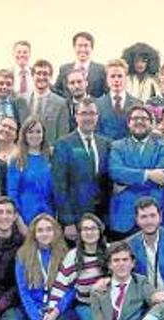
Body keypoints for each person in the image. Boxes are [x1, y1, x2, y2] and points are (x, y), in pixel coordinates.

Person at [10, 214, 74, 320]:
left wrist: (53, 315)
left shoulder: (66, 254)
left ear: (55, 232)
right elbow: (24, 293)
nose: (44, 234)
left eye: (48, 229)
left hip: (57, 309)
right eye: (40, 230)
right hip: (35, 309)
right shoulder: (23, 255)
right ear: (34, 233)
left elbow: (70, 289)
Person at [46, 213, 108, 320]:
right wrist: (50, 316)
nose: (89, 232)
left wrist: (107, 281)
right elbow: (59, 288)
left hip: (107, 305)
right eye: (85, 229)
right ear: (80, 233)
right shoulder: (72, 256)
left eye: (93, 228)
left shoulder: (109, 252)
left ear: (100, 231)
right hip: (84, 304)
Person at [108, 106, 164, 239]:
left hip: (154, 213)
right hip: (125, 216)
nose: (139, 122)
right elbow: (115, 172)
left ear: (151, 123)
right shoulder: (117, 146)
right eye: (135, 118)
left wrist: (127, 180)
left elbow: (162, 177)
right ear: (128, 123)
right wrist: (148, 174)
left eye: (144, 118)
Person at [52, 98, 111, 241]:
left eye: (92, 113)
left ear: (97, 117)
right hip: (76, 216)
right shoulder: (63, 144)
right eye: (83, 113)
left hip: (101, 215)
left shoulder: (106, 143)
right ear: (76, 116)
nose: (88, 118)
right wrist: (68, 221)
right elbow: (59, 185)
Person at [7, 116, 54, 229]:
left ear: (43, 134)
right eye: (30, 132)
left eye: (38, 132)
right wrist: (19, 222)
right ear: (24, 135)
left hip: (49, 215)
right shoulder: (16, 159)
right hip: (25, 216)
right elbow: (12, 192)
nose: (35, 135)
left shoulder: (51, 156)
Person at [96, 59, 142, 140]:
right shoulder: (97, 104)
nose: (116, 80)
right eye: (112, 76)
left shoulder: (137, 104)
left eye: (120, 76)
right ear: (107, 79)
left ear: (126, 78)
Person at [25, 59, 70, 144]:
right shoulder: (23, 101)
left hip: (50, 152)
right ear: (32, 76)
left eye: (45, 74)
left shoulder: (61, 103)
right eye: (38, 73)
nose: (41, 77)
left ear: (51, 77)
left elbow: (63, 134)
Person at [53, 32, 107, 98]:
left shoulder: (101, 70)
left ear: (91, 48)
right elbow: (56, 91)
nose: (82, 49)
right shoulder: (64, 69)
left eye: (86, 46)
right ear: (74, 47)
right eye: (80, 45)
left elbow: (107, 93)